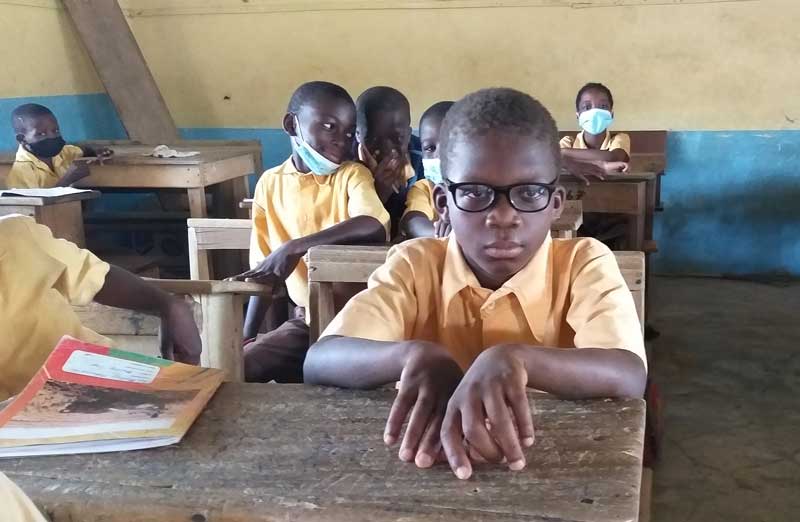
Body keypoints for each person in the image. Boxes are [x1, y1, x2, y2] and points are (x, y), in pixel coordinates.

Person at [304, 88, 647, 480]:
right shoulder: (415, 265)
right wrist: (415, 356)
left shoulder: (583, 263)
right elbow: (321, 359)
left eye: (530, 192)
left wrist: (515, 359)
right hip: (427, 471)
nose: (503, 216)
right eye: (474, 192)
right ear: (443, 202)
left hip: (552, 468)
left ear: (556, 203)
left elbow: (627, 372)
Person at [231, 81, 389, 383]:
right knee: (241, 366)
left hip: (360, 324)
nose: (340, 141)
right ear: (292, 124)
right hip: (309, 322)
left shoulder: (352, 175)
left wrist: (295, 247)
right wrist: (246, 335)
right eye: (329, 127)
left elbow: (373, 223)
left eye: (347, 132)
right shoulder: (270, 183)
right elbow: (264, 272)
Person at [0, 215, 201, 401]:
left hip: (98, 381)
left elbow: (97, 276)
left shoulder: (14, 236)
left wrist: (168, 305)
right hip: (28, 421)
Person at [355, 86, 423, 237]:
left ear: (409, 133)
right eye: (373, 139)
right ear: (358, 135)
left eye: (397, 138)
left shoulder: (425, 158)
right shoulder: (346, 166)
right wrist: (376, 196)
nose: (388, 150)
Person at [6, 103, 112, 189]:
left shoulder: (62, 153)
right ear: (22, 139)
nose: (52, 137)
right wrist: (67, 180)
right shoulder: (22, 171)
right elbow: (33, 209)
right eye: (41, 134)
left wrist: (98, 153)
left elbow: (83, 151)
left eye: (55, 130)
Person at [400, 101, 454, 239]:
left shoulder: (481, 188)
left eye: (449, 145)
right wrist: (443, 235)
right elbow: (413, 221)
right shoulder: (425, 188)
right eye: (430, 148)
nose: (439, 156)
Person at [559, 82, 630, 173]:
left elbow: (613, 158)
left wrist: (564, 152)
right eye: (587, 107)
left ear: (611, 114)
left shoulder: (619, 138)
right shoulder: (568, 142)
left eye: (603, 106)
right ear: (578, 115)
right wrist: (603, 166)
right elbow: (556, 162)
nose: (595, 112)